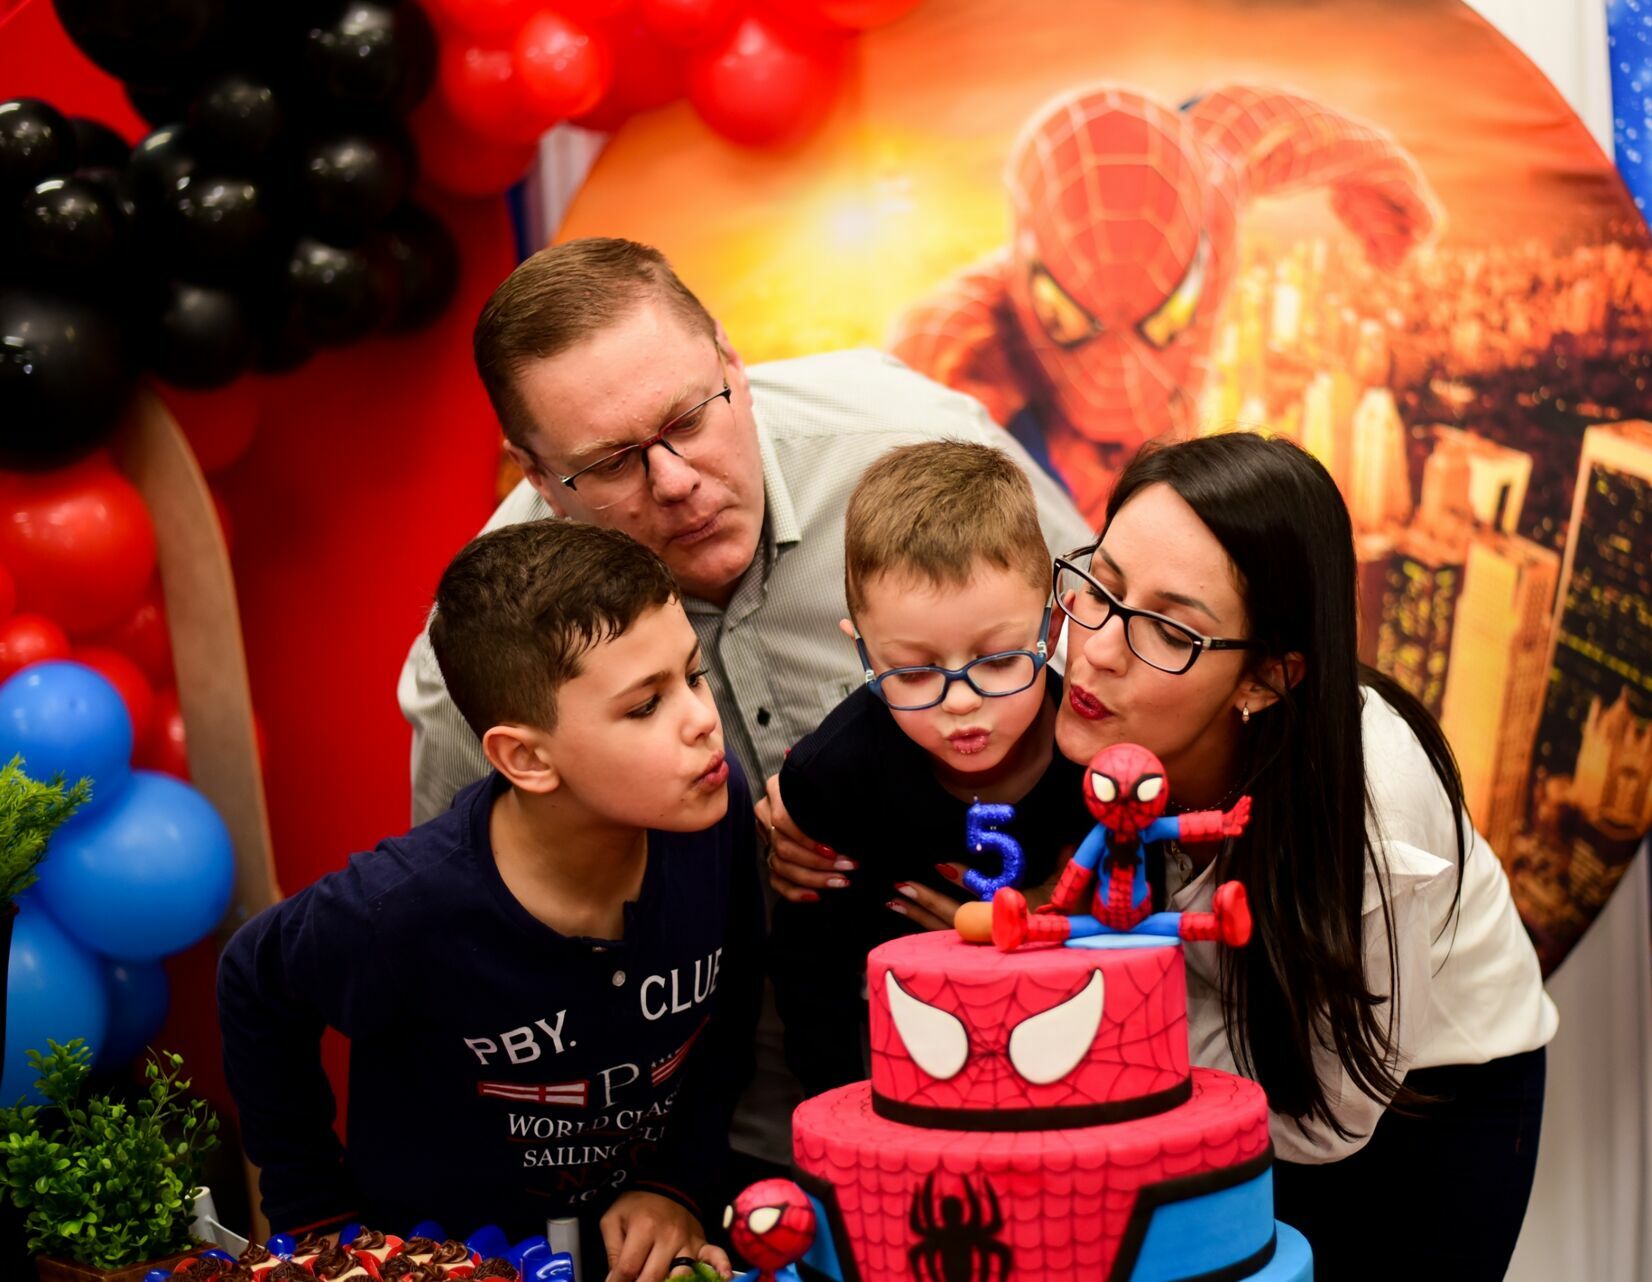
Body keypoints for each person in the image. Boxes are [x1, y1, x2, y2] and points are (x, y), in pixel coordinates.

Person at [768, 433, 1558, 1280]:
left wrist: (1065, 969)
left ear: (1266, 678)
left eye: (1170, 629)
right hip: (1193, 1082)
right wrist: (805, 803)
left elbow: (1327, 1120)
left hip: (1416, 1102)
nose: (1098, 647)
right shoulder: (1060, 684)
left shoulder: (1374, 811)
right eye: (1101, 589)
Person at [396, 236, 1090, 1169]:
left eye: (690, 416)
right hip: (702, 1116)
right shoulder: (485, 648)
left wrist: (1081, 900)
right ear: (532, 471)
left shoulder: (924, 446)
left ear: (732, 361)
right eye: (610, 463)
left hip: (1036, 1039)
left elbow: (1121, 683)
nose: (676, 482)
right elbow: (465, 920)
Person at [222, 521, 763, 1282]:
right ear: (526, 758)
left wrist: (677, 1182)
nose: (703, 719)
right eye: (645, 706)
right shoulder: (400, 907)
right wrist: (317, 1227)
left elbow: (730, 1009)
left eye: (693, 674)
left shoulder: (713, 809)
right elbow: (255, 979)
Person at [768, 441, 1092, 1096]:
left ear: (1052, 627)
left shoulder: (1100, 755)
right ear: (862, 650)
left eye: (999, 660)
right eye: (915, 672)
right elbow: (812, 981)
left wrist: (1059, 926)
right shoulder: (835, 778)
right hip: (906, 1066)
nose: (962, 702)